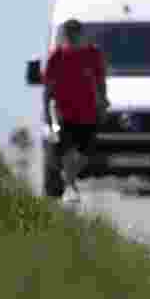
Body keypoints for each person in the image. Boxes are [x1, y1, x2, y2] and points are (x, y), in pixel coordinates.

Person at [43, 18, 108, 199]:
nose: (71, 38)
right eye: (68, 35)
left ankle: (68, 178)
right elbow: (48, 89)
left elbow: (101, 81)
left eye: (75, 34)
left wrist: (103, 102)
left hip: (88, 113)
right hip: (64, 113)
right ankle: (70, 186)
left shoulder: (93, 54)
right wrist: (48, 114)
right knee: (66, 151)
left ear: (81, 35)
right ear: (64, 36)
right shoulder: (56, 57)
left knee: (85, 154)